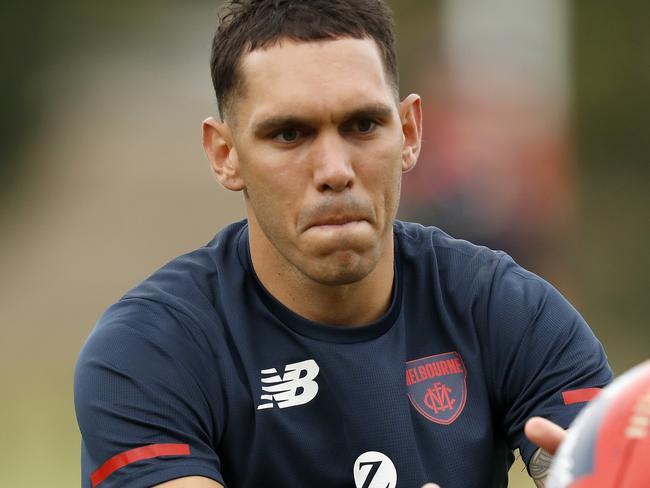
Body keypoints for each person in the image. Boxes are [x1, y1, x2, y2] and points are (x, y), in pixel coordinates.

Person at [74, 1, 612, 487]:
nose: (335, 171)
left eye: (362, 125)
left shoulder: (511, 312)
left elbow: (599, 472)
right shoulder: (149, 351)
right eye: (289, 134)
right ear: (225, 154)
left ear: (409, 132)